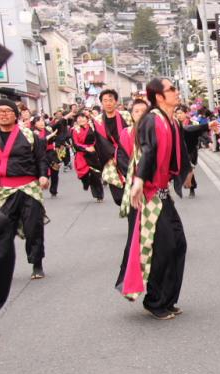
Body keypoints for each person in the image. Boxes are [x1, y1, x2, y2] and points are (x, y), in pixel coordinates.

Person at [121, 78, 191, 320]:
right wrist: (139, 180)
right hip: (151, 194)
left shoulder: (170, 119)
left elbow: (180, 147)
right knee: (164, 247)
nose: (176, 92)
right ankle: (155, 301)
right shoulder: (153, 119)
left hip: (163, 193)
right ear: (159, 96)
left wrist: (187, 170)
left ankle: (168, 299)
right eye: (171, 89)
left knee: (178, 244)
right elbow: (148, 150)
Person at [0, 99, 49, 281]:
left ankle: (37, 263)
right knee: (3, 230)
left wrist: (43, 175)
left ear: (15, 115)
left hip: (29, 187)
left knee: (33, 227)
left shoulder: (28, 135)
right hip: (4, 190)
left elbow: (41, 158)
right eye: (0, 111)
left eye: (7, 111)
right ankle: (3, 268)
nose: (3, 114)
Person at [94, 89, 133, 205]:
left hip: (128, 155)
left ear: (116, 102)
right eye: (105, 101)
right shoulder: (98, 120)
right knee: (118, 198)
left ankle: (134, 214)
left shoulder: (125, 115)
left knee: (132, 188)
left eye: (111, 100)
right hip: (110, 160)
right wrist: (113, 156)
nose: (108, 103)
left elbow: (132, 133)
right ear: (101, 103)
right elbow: (100, 142)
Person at [71, 112, 104, 202]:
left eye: (83, 117)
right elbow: (75, 143)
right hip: (82, 154)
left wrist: (93, 147)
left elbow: (98, 139)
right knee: (84, 175)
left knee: (95, 175)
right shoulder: (74, 130)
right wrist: (86, 148)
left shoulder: (93, 127)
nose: (81, 119)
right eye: (79, 118)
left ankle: (99, 195)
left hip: (93, 153)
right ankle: (85, 182)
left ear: (87, 118)